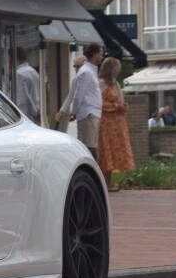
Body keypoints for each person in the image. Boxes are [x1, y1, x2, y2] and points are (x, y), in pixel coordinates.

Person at [58, 43, 104, 160]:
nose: (102, 56)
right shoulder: (86, 72)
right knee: (89, 147)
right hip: (89, 113)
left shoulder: (89, 72)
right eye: (100, 54)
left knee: (90, 145)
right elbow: (78, 96)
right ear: (95, 54)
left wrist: (73, 112)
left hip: (91, 113)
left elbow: (77, 95)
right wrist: (73, 112)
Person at [97, 57, 135, 191]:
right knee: (106, 152)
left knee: (113, 151)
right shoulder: (101, 84)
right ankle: (104, 183)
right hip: (106, 123)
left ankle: (109, 181)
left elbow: (120, 99)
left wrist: (122, 106)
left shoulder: (115, 84)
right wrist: (115, 106)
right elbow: (98, 103)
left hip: (117, 123)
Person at [54, 55, 87, 134]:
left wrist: (74, 111)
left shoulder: (90, 79)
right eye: (74, 66)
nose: (76, 69)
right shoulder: (76, 80)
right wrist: (61, 111)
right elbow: (71, 96)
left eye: (78, 66)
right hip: (81, 114)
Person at [11, 45, 41, 123]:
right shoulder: (33, 72)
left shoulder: (19, 74)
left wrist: (34, 113)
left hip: (24, 115)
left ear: (14, 58)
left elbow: (25, 97)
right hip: (35, 113)